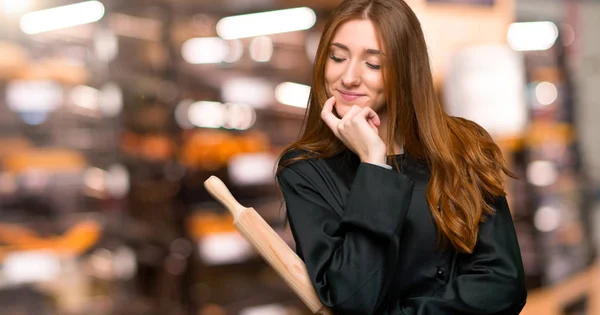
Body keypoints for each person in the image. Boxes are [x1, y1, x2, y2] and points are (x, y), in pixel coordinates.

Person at [275, 0, 527, 314]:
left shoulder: (465, 145)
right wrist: (374, 164)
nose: (349, 76)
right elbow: (352, 297)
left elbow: (504, 284)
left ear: (406, 70)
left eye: (373, 64)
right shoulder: (304, 169)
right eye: (337, 57)